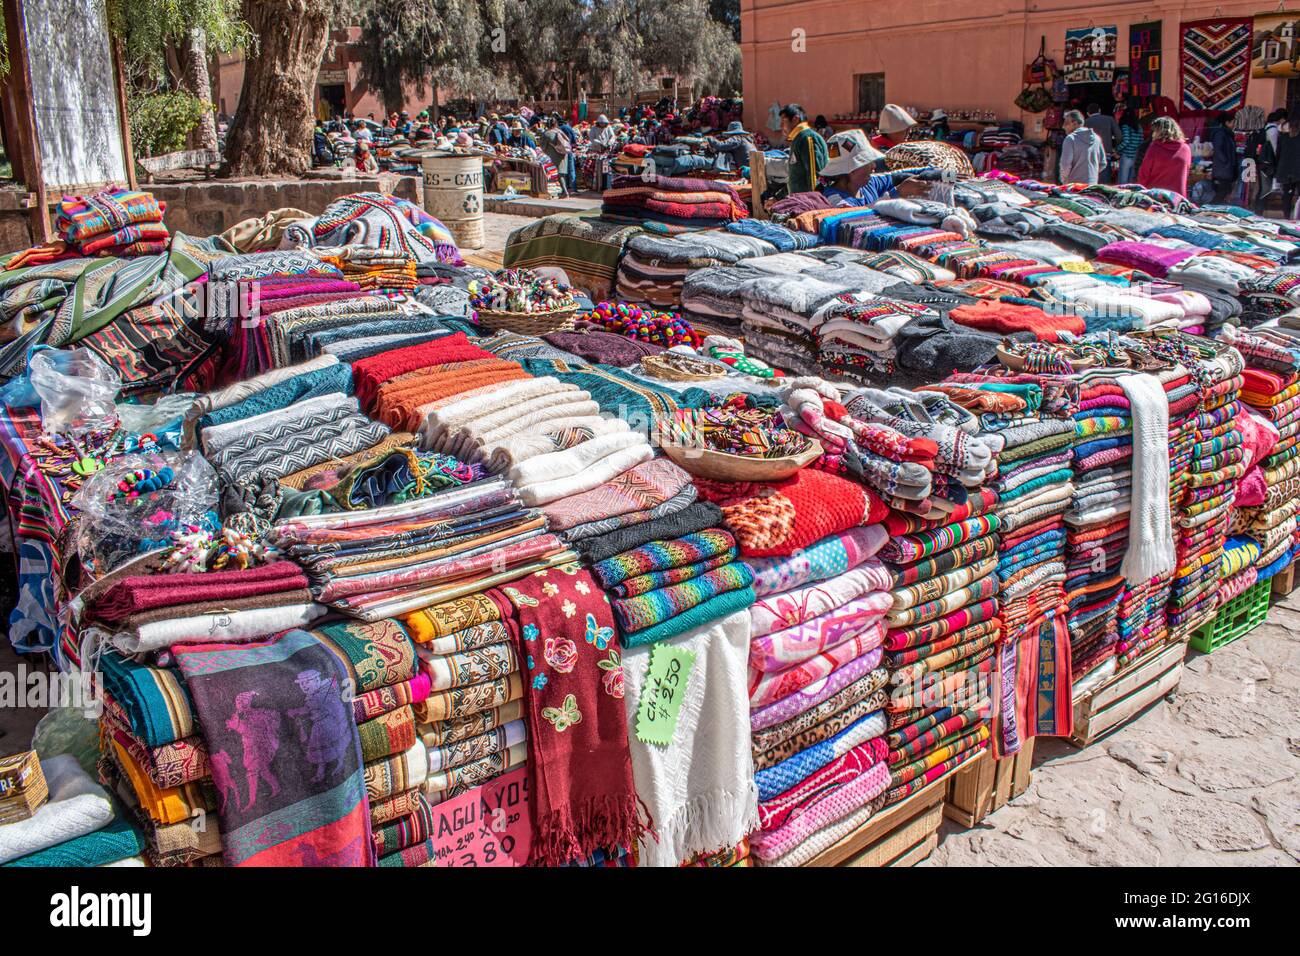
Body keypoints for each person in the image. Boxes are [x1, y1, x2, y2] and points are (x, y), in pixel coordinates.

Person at [818, 129, 886, 202]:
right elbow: (856, 212)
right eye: (867, 162)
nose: (874, 166)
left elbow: (896, 176)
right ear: (852, 170)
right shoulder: (837, 200)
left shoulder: (869, 183)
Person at [780, 103, 828, 194]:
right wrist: (777, 197)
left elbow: (814, 178)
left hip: (809, 204)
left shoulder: (807, 138)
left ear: (795, 119)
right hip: (799, 201)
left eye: (783, 121)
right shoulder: (798, 139)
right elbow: (796, 179)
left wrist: (813, 203)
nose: (781, 126)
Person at [1137, 116, 1192, 196]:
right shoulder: (1186, 149)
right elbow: (1186, 173)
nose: (1153, 134)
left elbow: (1144, 173)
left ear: (1160, 131)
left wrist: (1140, 190)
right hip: (1177, 197)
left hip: (1156, 196)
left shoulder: (1155, 147)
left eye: (1154, 131)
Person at [1251, 108, 1285, 213]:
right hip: (1268, 162)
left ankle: (1258, 209)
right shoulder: (1273, 130)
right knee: (1265, 187)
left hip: (1262, 161)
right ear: (1281, 119)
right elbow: (1275, 148)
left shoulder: (1266, 127)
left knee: (1263, 187)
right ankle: (1259, 210)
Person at [1059, 109, 1105, 184]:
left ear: (1075, 123)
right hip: (1092, 185)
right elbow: (1103, 163)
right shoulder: (1097, 138)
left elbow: (1065, 165)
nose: (1063, 126)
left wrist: (1064, 181)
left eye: (1066, 123)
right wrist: (1091, 175)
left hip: (1074, 186)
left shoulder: (1070, 139)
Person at [1274, 106, 1300, 217]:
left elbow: (1278, 150)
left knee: (1287, 194)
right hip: (1298, 166)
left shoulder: (1282, 128)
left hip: (1285, 166)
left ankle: (1286, 217)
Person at [1209, 110, 1240, 204]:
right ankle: (1209, 209)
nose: (1234, 124)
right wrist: (1226, 161)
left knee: (1224, 191)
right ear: (1227, 122)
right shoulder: (1220, 133)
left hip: (1225, 168)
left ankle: (1213, 210)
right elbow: (1218, 149)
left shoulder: (1227, 133)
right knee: (1222, 192)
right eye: (1233, 122)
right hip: (1222, 168)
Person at [1084, 103, 1120, 182]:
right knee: (1105, 179)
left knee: (1091, 178)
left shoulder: (1086, 122)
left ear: (1088, 113)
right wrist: (1115, 148)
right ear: (1099, 110)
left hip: (1090, 153)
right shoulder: (1109, 119)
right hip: (1106, 152)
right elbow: (1119, 136)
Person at [540, 117, 572, 195]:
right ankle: (564, 191)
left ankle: (564, 192)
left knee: (556, 174)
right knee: (562, 174)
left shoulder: (546, 133)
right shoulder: (559, 131)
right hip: (564, 154)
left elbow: (543, 147)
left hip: (554, 156)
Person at [1116, 110, 1143, 184]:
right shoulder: (1139, 127)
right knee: (1131, 181)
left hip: (1126, 155)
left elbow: (1126, 140)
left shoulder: (1125, 127)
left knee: (1123, 180)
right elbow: (1141, 142)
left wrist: (1117, 149)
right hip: (1135, 155)